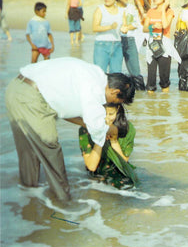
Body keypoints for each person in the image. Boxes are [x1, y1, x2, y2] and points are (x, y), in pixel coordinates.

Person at [5, 57, 135, 201]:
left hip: (16, 89)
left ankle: (29, 200)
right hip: (32, 98)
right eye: (116, 101)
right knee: (51, 150)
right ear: (114, 91)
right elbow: (98, 127)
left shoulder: (93, 73)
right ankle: (64, 203)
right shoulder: (95, 88)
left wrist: (88, 125)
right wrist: (110, 130)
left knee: (28, 152)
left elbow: (64, 112)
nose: (108, 104)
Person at [79, 103, 137, 188]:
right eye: (102, 115)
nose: (106, 119)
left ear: (117, 109)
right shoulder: (85, 130)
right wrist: (100, 136)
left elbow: (124, 162)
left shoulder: (127, 129)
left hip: (119, 173)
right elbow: (91, 166)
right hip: (96, 176)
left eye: (111, 114)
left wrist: (114, 141)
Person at [143, 0, 176, 93]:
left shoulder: (169, 11)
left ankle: (164, 106)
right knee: (151, 78)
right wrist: (152, 27)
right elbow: (144, 28)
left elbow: (166, 25)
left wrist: (163, 9)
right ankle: (151, 105)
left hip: (164, 46)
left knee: (164, 78)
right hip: (152, 44)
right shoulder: (150, 11)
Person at [117, 0, 145, 90]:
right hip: (117, 41)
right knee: (116, 70)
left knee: (136, 71)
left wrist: (126, 27)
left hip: (130, 40)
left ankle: (140, 95)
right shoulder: (114, 8)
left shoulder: (131, 8)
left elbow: (135, 24)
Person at [93, 0, 125, 74]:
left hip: (117, 45)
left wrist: (125, 29)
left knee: (116, 74)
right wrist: (110, 27)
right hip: (101, 45)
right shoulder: (100, 9)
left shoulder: (121, 11)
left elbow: (125, 26)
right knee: (99, 74)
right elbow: (95, 27)